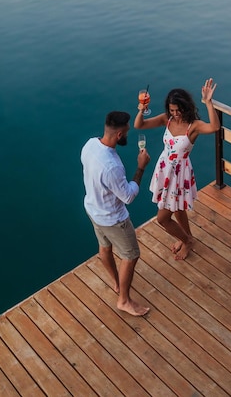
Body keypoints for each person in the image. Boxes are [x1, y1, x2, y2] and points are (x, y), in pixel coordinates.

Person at [134, 78, 219, 261]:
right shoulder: (167, 119)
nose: (175, 114)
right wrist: (141, 109)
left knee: (163, 218)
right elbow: (139, 125)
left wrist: (208, 102)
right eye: (172, 110)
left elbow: (214, 127)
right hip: (165, 169)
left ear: (185, 107)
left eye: (178, 110)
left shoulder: (193, 126)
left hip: (180, 174)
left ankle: (186, 241)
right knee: (178, 209)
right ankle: (188, 238)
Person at [81, 111, 151, 316]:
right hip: (114, 219)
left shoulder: (90, 144)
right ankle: (124, 300)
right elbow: (128, 196)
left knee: (104, 247)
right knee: (131, 255)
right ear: (119, 135)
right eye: (127, 131)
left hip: (93, 210)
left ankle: (117, 284)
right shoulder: (112, 166)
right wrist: (141, 168)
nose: (128, 134)